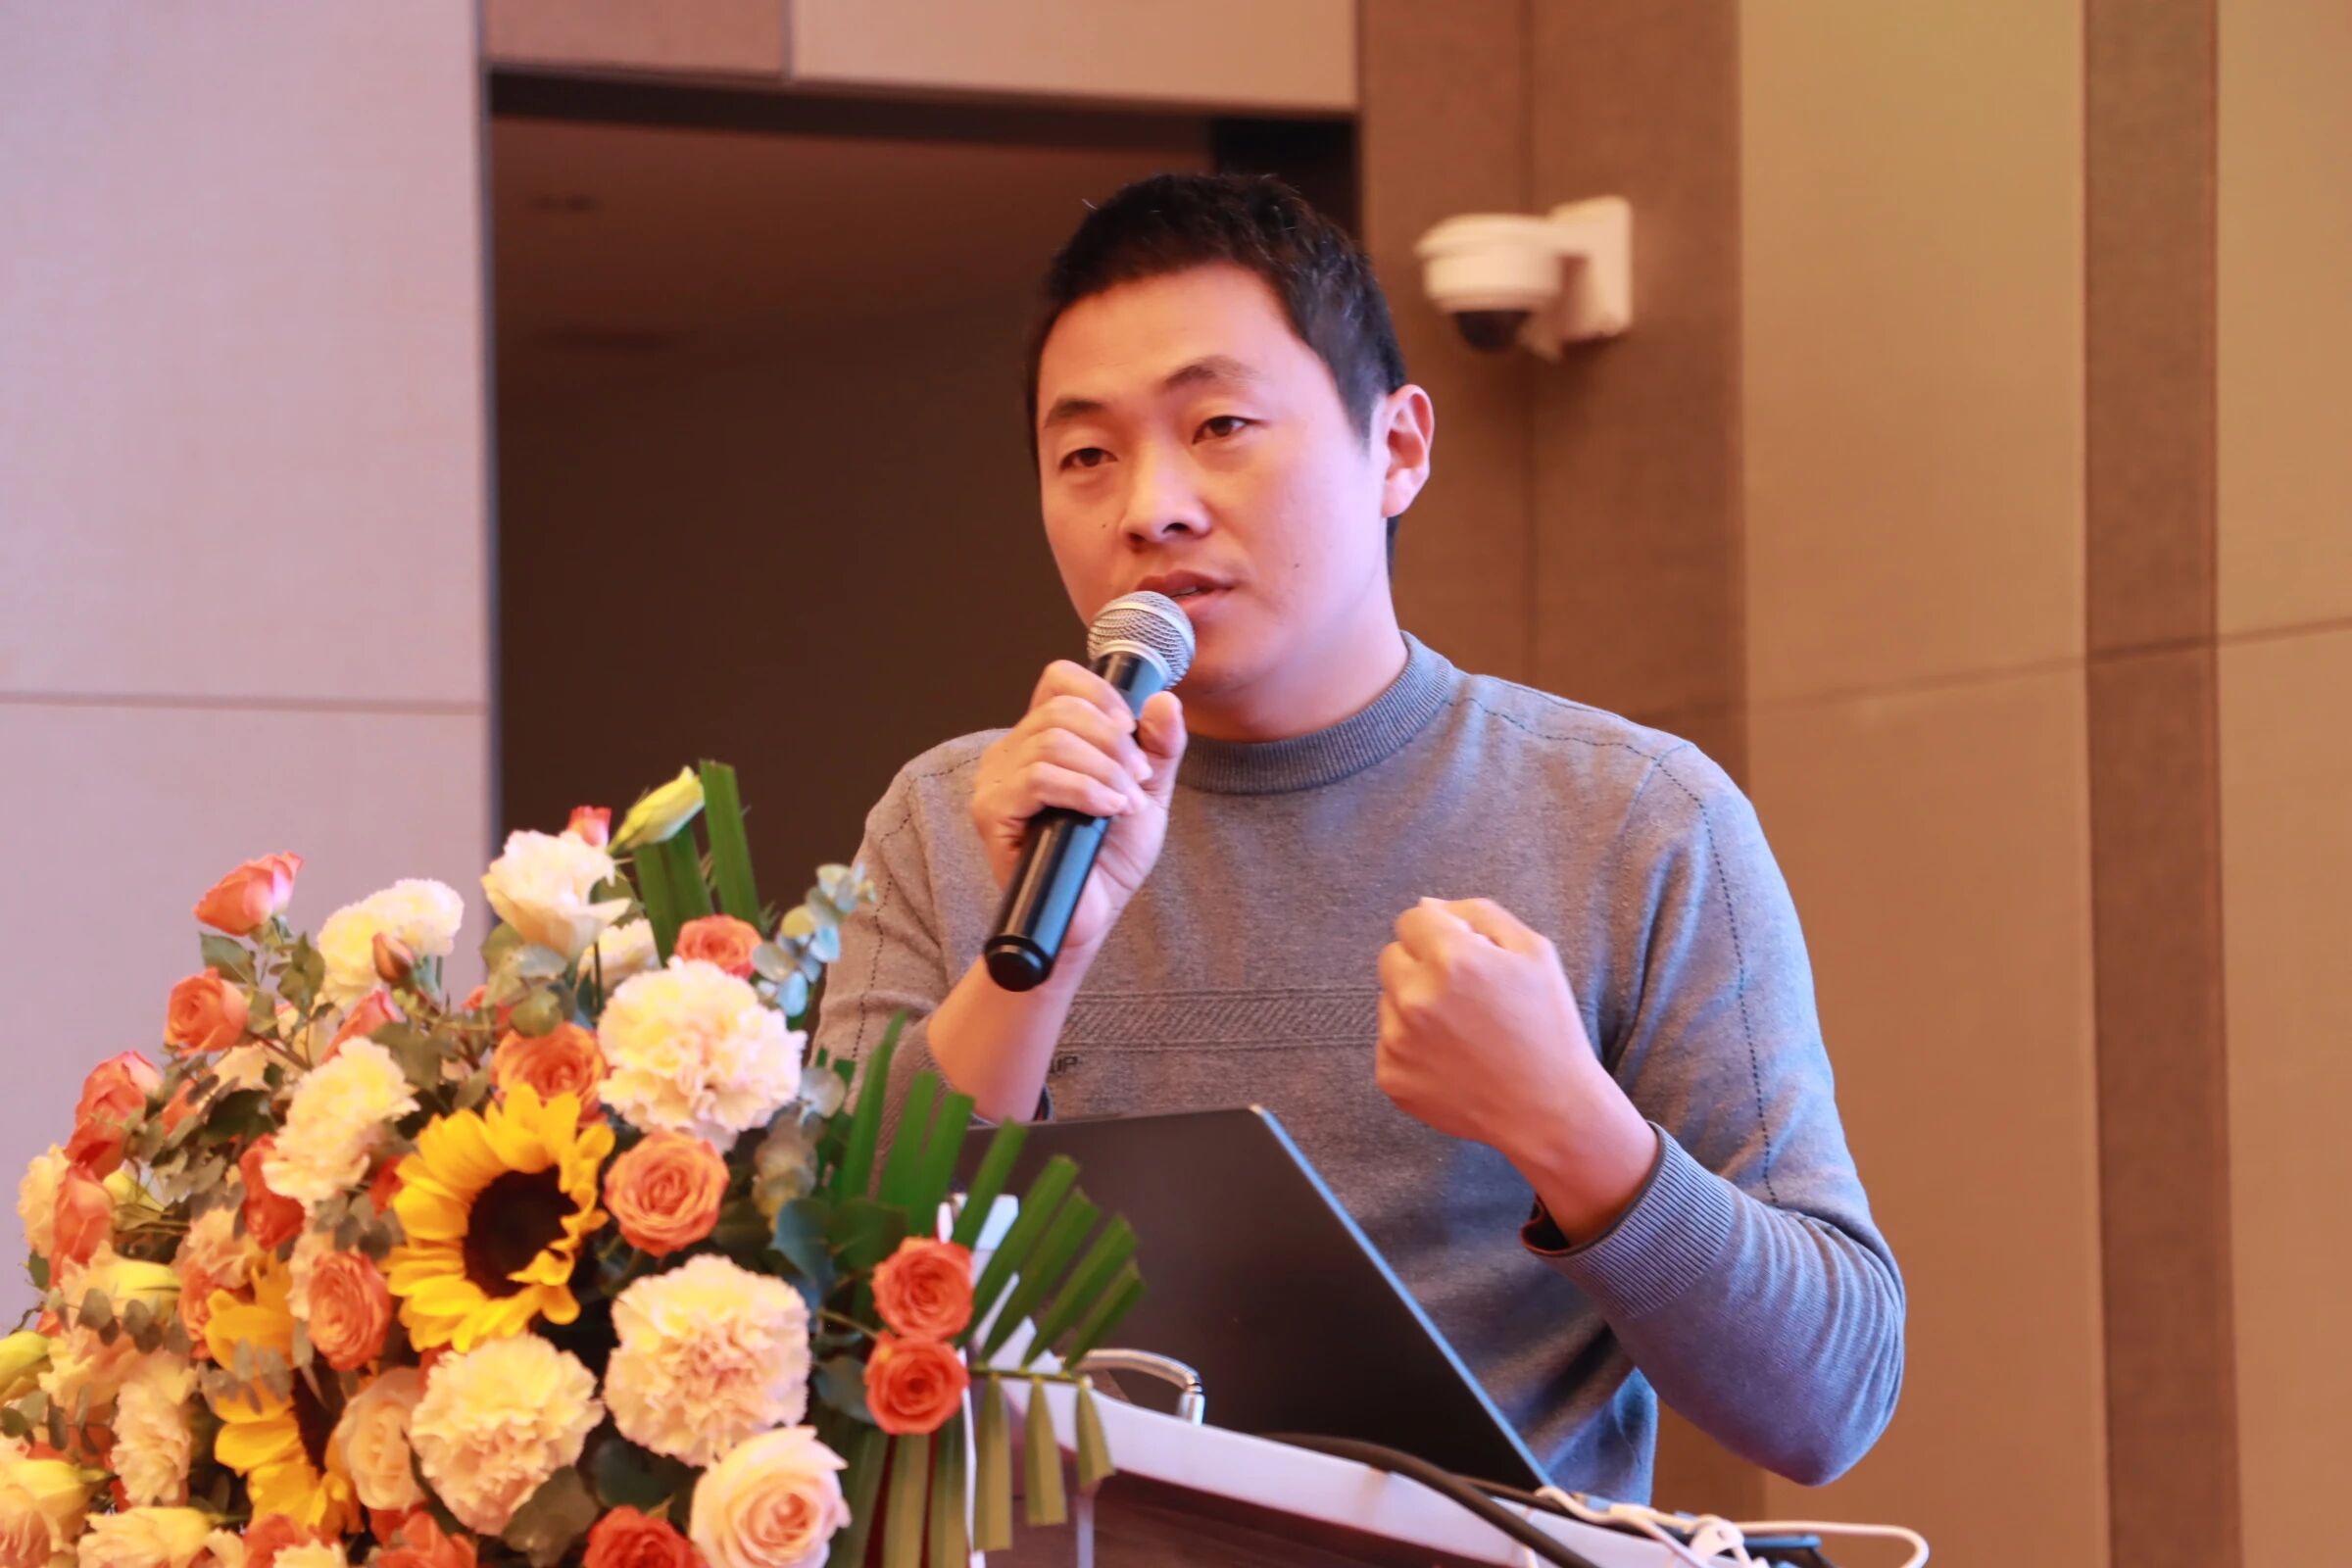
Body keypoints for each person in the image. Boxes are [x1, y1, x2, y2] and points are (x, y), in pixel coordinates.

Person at [811, 172, 1903, 1502]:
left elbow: (1829, 1400)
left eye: (1219, 425)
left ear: (1398, 448)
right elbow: (822, 1310)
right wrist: (1032, 970)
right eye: (1086, 454)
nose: (1151, 507)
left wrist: (1567, 1124)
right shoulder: (954, 818)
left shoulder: (1636, 817)